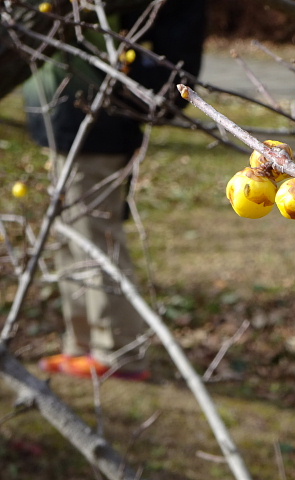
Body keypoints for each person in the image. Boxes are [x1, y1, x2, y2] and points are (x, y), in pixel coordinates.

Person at [23, 0, 205, 380]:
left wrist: (124, 98)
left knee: (95, 236)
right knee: (69, 236)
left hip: (96, 123)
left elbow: (171, 61)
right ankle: (83, 342)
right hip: (63, 118)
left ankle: (118, 352)